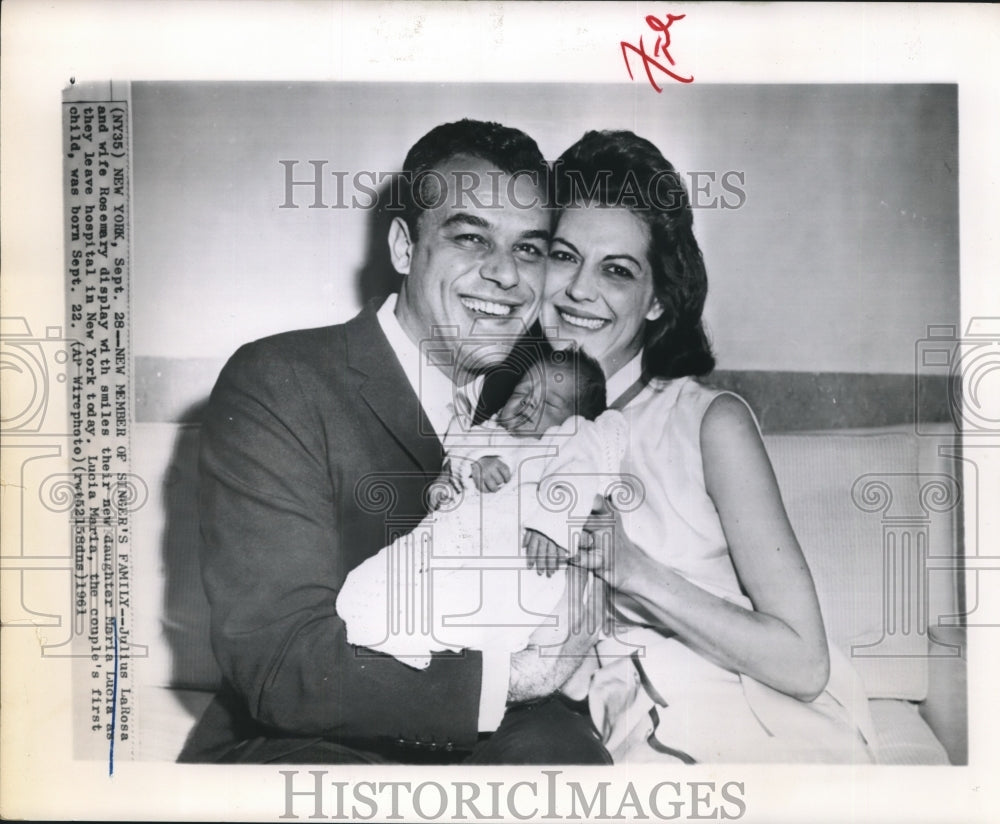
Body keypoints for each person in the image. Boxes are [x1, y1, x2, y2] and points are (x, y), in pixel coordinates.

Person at [178, 120, 610, 765]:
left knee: (571, 770)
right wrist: (512, 678)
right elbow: (281, 664)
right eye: (470, 238)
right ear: (405, 246)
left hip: (508, 733)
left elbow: (580, 564)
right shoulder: (279, 379)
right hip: (309, 742)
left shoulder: (537, 405)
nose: (505, 276)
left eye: (529, 250)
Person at [540, 130, 876, 763]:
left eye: (617, 270)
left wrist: (635, 571)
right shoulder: (506, 426)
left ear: (659, 299)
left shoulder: (709, 423)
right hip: (616, 731)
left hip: (755, 727)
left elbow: (804, 662)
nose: (579, 290)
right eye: (564, 256)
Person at [336, 343, 627, 669]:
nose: (529, 402)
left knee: (481, 601)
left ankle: (432, 640)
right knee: (380, 576)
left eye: (550, 402)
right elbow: (456, 454)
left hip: (518, 549)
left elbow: (580, 474)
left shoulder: (571, 436)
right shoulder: (485, 432)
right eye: (523, 391)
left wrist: (551, 524)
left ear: (578, 417)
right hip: (450, 536)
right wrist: (457, 474)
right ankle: (381, 627)